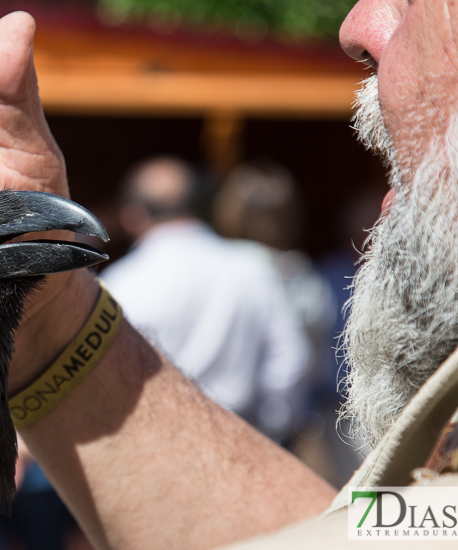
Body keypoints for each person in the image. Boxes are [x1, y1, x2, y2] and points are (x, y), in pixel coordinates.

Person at [0, 2, 458, 546]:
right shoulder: (257, 273)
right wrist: (53, 327)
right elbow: (364, 527)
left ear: (139, 215)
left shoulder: (139, 276)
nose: (357, 26)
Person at [100, 156, 310, 441]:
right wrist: (268, 429)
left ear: (132, 215)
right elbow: (291, 357)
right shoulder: (251, 268)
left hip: (157, 443)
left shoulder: (120, 283)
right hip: (241, 437)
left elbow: (109, 377)